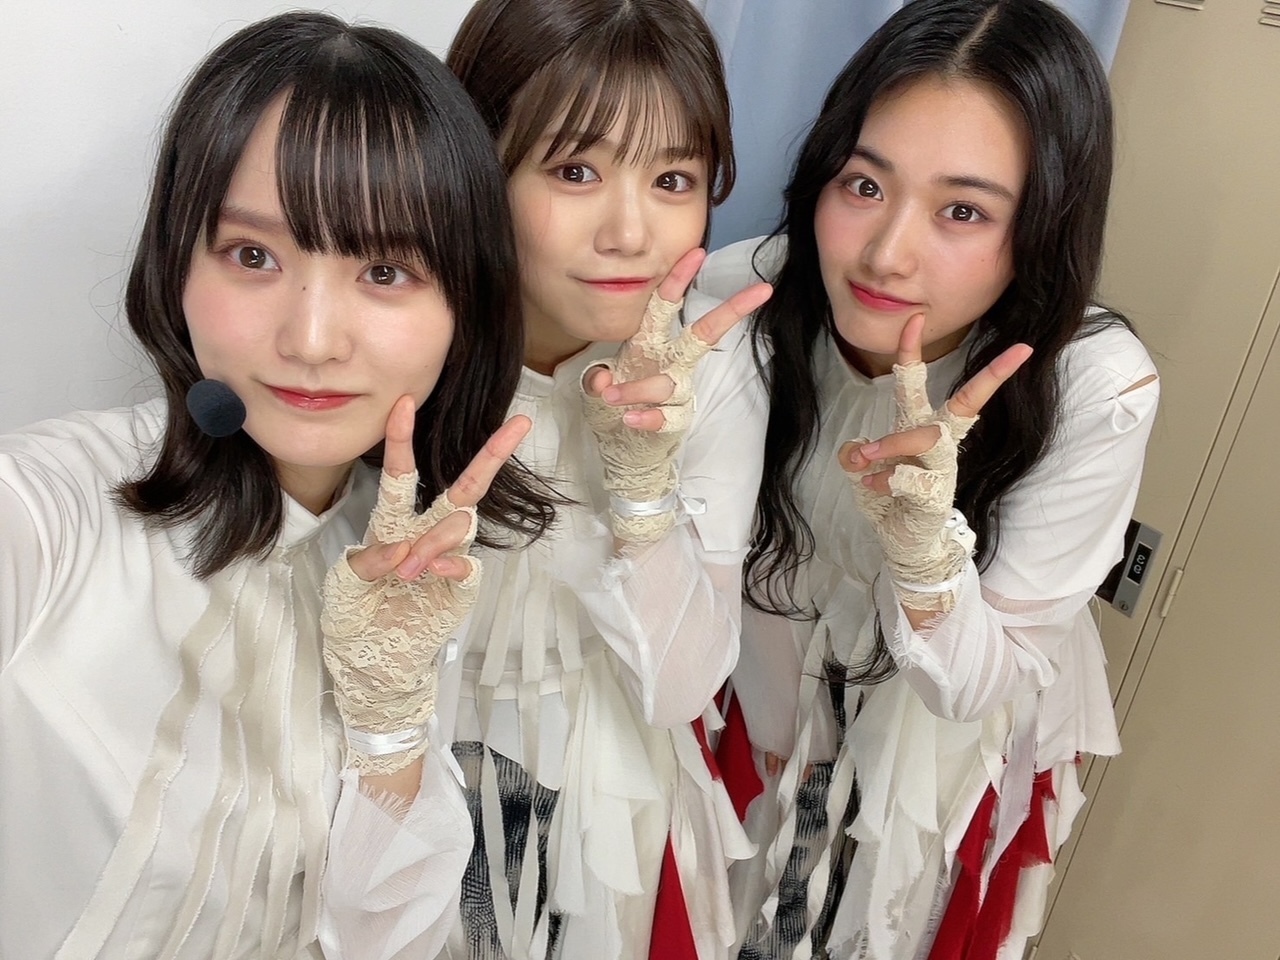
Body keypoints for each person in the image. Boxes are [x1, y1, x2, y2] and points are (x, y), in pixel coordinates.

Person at [0, 12, 559, 959]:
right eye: (254, 256)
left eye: (384, 269)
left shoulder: (421, 569)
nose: (311, 339)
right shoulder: (49, 510)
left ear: (465, 305)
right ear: (177, 264)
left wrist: (389, 727)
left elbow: (388, 943)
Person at [694, 1, 1160, 957]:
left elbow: (973, 688)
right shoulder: (742, 298)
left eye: (963, 211)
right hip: (766, 693)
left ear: (1043, 226)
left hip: (939, 742)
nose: (885, 253)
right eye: (864, 184)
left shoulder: (1092, 388)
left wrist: (925, 553)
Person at [442, 2, 772, 957]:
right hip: (401, 770)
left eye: (672, 179)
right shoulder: (407, 325)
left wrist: (640, 494)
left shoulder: (716, 366)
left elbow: (681, 688)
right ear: (477, 163)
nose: (631, 232)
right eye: (575, 170)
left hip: (601, 806)